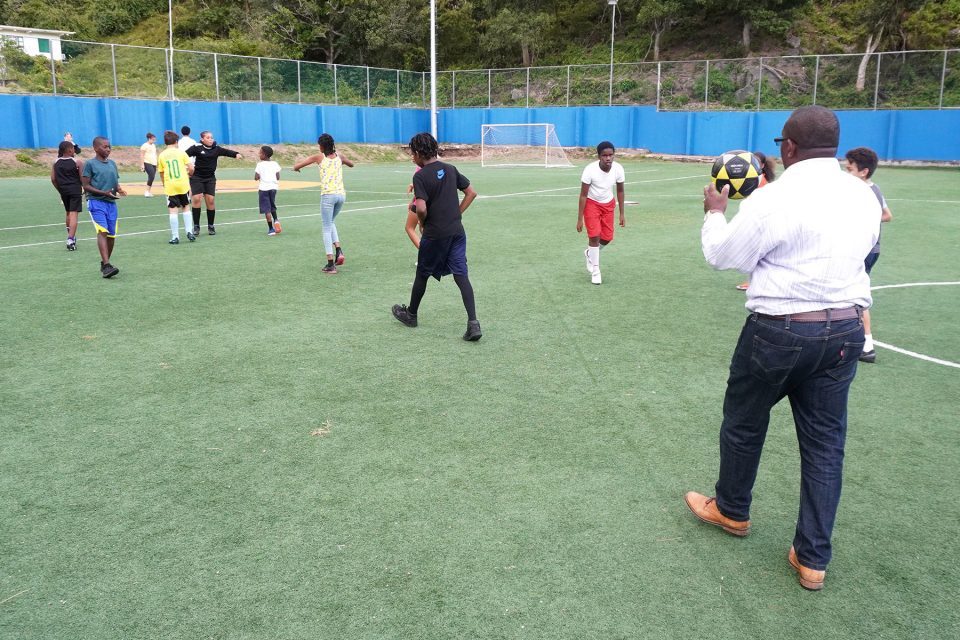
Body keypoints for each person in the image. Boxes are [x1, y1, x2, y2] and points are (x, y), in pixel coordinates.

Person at [684, 105, 880, 591]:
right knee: (825, 445)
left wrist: (714, 214)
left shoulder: (773, 198)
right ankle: (812, 558)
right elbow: (869, 250)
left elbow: (722, 256)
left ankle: (732, 510)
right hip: (845, 332)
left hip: (781, 329)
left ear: (788, 148)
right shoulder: (864, 194)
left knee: (745, 420)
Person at [391, 132, 481, 341]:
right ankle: (473, 323)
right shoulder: (450, 169)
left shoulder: (420, 176)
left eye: (412, 154)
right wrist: (457, 213)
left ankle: (411, 314)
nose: (412, 158)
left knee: (422, 273)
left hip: (435, 234)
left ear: (420, 153)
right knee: (461, 275)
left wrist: (422, 223)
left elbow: (420, 207)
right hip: (457, 232)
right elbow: (471, 193)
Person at [844, 147, 894, 364]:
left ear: (863, 172)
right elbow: (886, 215)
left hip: (861, 251)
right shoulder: (875, 189)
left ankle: (866, 345)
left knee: (855, 295)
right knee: (851, 293)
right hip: (872, 250)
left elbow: (886, 216)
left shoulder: (858, 192)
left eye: (849, 169)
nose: (847, 173)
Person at [293, 133, 354, 272]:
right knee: (331, 222)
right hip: (341, 195)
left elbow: (298, 165)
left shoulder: (319, 157)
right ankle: (339, 250)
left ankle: (330, 263)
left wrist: (296, 168)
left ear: (322, 146)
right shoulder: (340, 156)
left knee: (326, 227)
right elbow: (352, 164)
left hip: (328, 195)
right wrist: (343, 161)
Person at [577, 141, 625, 285]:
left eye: (611, 155)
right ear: (599, 156)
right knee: (595, 235)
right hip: (592, 203)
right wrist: (580, 218)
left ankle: (589, 253)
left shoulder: (618, 169)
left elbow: (620, 191)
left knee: (607, 237)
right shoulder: (589, 170)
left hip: (608, 204)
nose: (608, 158)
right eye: (604, 155)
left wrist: (622, 213)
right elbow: (583, 195)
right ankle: (596, 271)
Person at [81, 136, 127, 278]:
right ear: (95, 148)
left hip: (111, 203)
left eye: (109, 147)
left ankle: (105, 263)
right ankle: (107, 265)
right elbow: (86, 185)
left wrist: (119, 189)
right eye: (104, 146)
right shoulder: (90, 164)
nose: (108, 149)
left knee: (111, 235)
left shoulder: (112, 164)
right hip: (96, 202)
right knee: (102, 231)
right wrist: (103, 193)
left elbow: (115, 181)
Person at [186, 130, 243, 236]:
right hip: (197, 177)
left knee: (210, 200)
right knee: (197, 198)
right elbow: (184, 155)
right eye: (208, 137)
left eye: (211, 137)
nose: (211, 139)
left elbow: (226, 152)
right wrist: (187, 166)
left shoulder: (216, 149)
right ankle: (196, 226)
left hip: (210, 178)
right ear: (202, 139)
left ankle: (211, 226)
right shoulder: (196, 148)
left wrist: (236, 154)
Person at [735, 151, 777, 291]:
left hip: (764, 221)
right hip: (761, 220)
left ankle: (753, 281)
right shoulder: (753, 180)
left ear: (762, 165)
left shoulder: (761, 183)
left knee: (756, 249)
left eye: (756, 162)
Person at [157, 130, 195, 244]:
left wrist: (164, 183)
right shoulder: (181, 153)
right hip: (183, 184)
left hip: (170, 185)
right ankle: (189, 232)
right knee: (186, 207)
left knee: (173, 210)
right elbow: (191, 167)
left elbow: (162, 172)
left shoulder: (162, 155)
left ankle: (175, 237)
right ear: (176, 141)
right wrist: (189, 174)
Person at [51, 140, 84, 251]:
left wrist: (59, 190)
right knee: (74, 214)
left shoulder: (55, 162)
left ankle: (71, 235)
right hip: (75, 190)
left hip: (63, 191)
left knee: (68, 212)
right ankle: (70, 239)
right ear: (70, 150)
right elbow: (82, 179)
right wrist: (85, 190)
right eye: (73, 148)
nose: (74, 150)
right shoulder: (77, 162)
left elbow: (53, 179)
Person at [255, 145, 282, 236]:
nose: (259, 154)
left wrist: (258, 177)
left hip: (263, 189)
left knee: (267, 209)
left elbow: (256, 177)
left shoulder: (260, 164)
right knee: (272, 204)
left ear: (264, 154)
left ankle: (271, 229)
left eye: (260, 153)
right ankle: (276, 220)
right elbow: (278, 177)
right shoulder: (275, 163)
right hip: (273, 188)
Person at [404, 167, 423, 249]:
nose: (412, 156)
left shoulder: (422, 167)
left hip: (421, 203)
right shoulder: (420, 166)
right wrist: (413, 200)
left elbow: (422, 185)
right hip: (420, 202)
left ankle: (427, 255)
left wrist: (412, 185)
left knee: (409, 227)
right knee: (422, 229)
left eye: (413, 154)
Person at [140, 132, 158, 198]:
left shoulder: (153, 145)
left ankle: (148, 191)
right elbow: (142, 155)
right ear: (149, 139)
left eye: (155, 139)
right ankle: (146, 192)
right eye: (153, 139)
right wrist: (142, 165)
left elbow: (155, 154)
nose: (154, 141)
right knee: (151, 175)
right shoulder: (144, 145)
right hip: (147, 162)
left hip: (154, 163)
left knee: (152, 177)